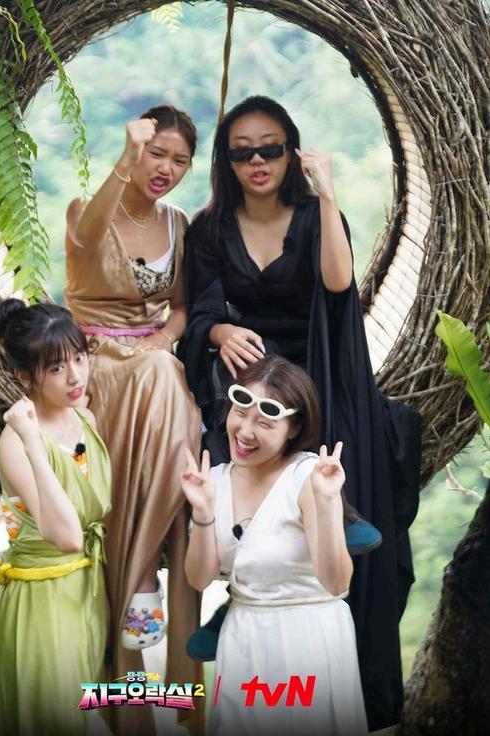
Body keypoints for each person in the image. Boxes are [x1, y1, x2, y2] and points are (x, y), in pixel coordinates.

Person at [180, 95, 421, 730]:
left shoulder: (314, 216)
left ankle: (345, 518)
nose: (257, 161)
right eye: (243, 153)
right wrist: (219, 333)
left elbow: (339, 285)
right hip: (246, 377)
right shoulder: (209, 228)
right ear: (226, 161)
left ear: (290, 152)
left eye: (271, 149)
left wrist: (329, 194)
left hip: (315, 371)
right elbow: (198, 313)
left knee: (356, 444)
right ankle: (239, 594)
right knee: (227, 444)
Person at [64, 105, 203, 734]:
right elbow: (84, 243)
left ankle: (147, 571)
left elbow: (181, 309)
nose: (165, 168)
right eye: (156, 153)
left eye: (180, 160)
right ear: (134, 152)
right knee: (164, 381)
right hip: (95, 370)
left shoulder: (178, 223)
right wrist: (124, 158)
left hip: (151, 369)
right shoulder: (85, 209)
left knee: (168, 376)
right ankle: (134, 585)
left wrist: (162, 340)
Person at [181, 356, 368, 736]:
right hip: (243, 634)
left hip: (307, 636)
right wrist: (202, 511)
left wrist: (328, 503)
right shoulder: (213, 479)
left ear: (293, 427)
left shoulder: (307, 476)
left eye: (265, 423)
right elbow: (199, 579)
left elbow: (337, 583)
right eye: (240, 413)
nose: (246, 431)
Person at [0, 299, 111, 736]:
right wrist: (34, 441)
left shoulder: (85, 419)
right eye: (56, 368)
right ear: (24, 378)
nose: (75, 376)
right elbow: (67, 535)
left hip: (87, 593)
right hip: (43, 602)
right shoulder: (16, 444)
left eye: (79, 358)